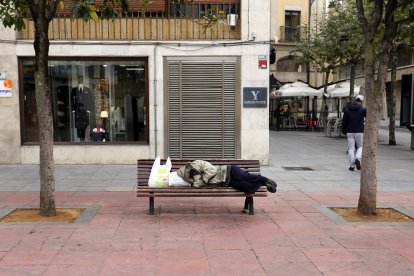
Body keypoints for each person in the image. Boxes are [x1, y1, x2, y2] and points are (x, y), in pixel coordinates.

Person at [177, 160, 277, 194]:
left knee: (246, 177)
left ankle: (264, 179)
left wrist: (203, 180)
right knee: (248, 189)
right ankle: (264, 184)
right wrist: (197, 180)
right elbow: (197, 185)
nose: (193, 172)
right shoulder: (194, 177)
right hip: (226, 182)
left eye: (193, 171)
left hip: (229, 171)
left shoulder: (197, 163)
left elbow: (211, 170)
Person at [341, 95, 367, 171]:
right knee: (360, 146)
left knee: (351, 148)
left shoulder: (347, 110)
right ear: (361, 101)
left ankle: (352, 165)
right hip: (359, 131)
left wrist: (344, 131)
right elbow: (368, 119)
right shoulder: (363, 110)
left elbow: (344, 122)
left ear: (355, 100)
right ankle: (358, 158)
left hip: (350, 132)